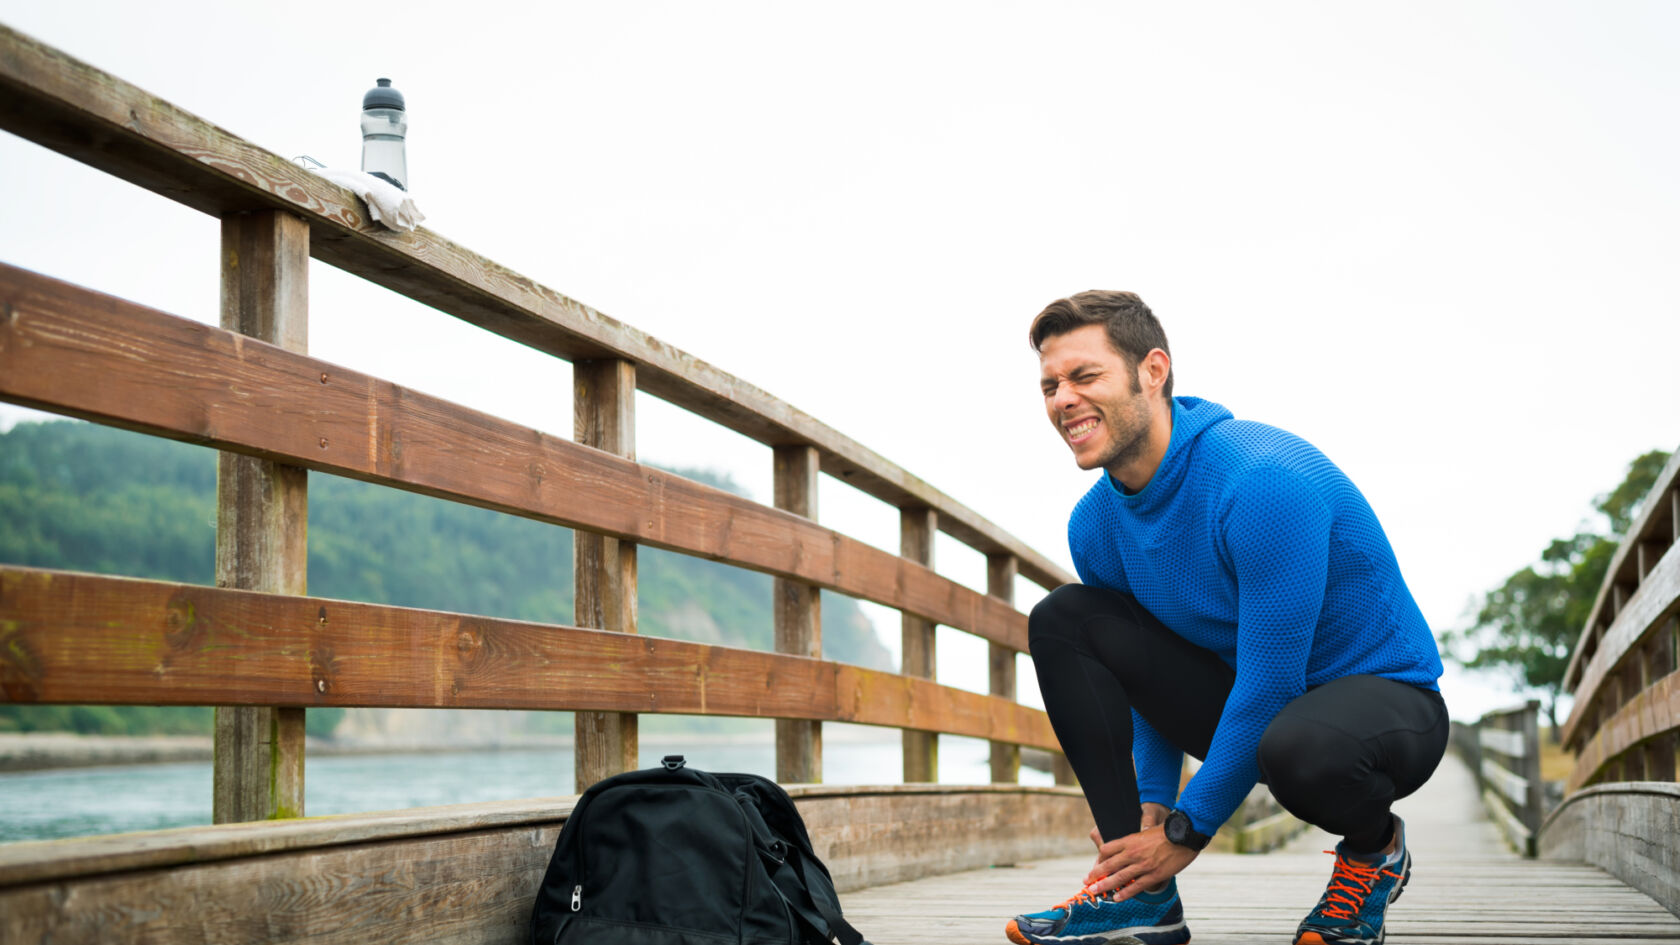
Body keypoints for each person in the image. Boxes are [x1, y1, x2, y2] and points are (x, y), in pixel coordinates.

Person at [1005, 291, 1449, 945]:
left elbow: (1273, 684)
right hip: (1261, 707)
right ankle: (1137, 890)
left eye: (1085, 375)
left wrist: (1186, 829)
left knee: (1302, 745)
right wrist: (1152, 808)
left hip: (1386, 707)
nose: (1062, 399)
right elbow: (1143, 681)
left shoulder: (1262, 481)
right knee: (1065, 619)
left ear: (1152, 371)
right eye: (1050, 385)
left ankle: (1373, 851)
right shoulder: (1096, 525)